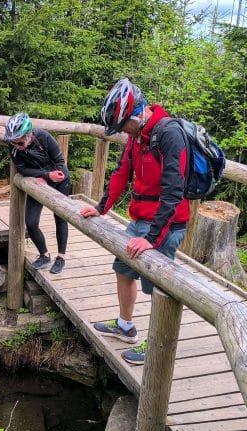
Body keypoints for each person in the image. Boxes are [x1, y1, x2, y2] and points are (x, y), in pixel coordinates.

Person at [80, 78, 189, 364]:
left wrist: (152, 238)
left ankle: (156, 347)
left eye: (122, 125)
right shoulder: (137, 136)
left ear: (137, 112)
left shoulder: (169, 134)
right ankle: (126, 325)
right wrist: (102, 207)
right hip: (141, 218)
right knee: (124, 269)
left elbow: (174, 190)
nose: (121, 132)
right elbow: (121, 172)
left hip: (166, 224)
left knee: (160, 288)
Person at [5, 112, 71, 274]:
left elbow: (60, 162)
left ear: (28, 135)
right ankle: (44, 254)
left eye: (19, 142)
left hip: (59, 180)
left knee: (60, 218)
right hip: (39, 182)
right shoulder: (12, 144)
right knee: (31, 222)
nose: (16, 145)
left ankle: (61, 257)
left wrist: (53, 176)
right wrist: (43, 175)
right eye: (13, 142)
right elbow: (21, 168)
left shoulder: (44, 137)